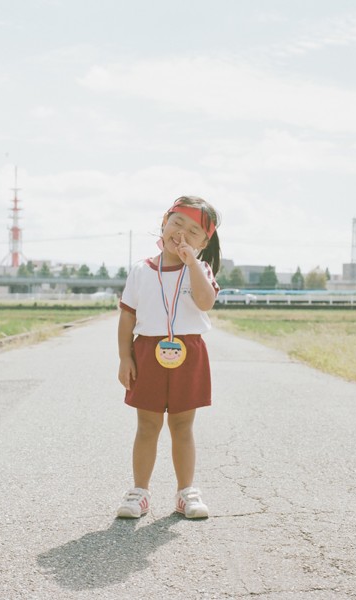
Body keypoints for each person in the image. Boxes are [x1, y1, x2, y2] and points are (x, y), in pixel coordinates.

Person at [116, 196, 221, 519]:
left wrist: (192, 265)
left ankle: (186, 492)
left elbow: (205, 303)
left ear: (204, 243)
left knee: (182, 426)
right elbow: (127, 318)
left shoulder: (200, 270)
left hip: (188, 353)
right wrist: (125, 358)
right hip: (147, 351)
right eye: (177, 223)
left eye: (193, 232)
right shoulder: (140, 270)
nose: (182, 235)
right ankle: (140, 492)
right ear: (164, 221)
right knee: (147, 425)